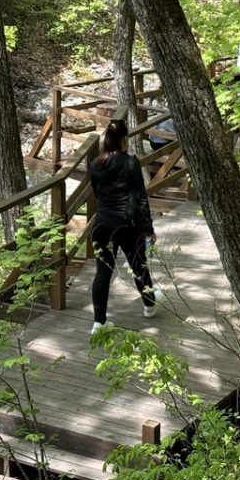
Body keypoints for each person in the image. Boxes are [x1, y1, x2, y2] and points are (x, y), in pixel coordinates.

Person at [86, 119, 161, 335]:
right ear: (124, 139)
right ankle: (149, 304)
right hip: (127, 223)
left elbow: (98, 194)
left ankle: (98, 323)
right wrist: (148, 228)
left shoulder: (94, 165)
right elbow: (139, 197)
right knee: (138, 263)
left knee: (102, 272)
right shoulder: (130, 162)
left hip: (102, 223)